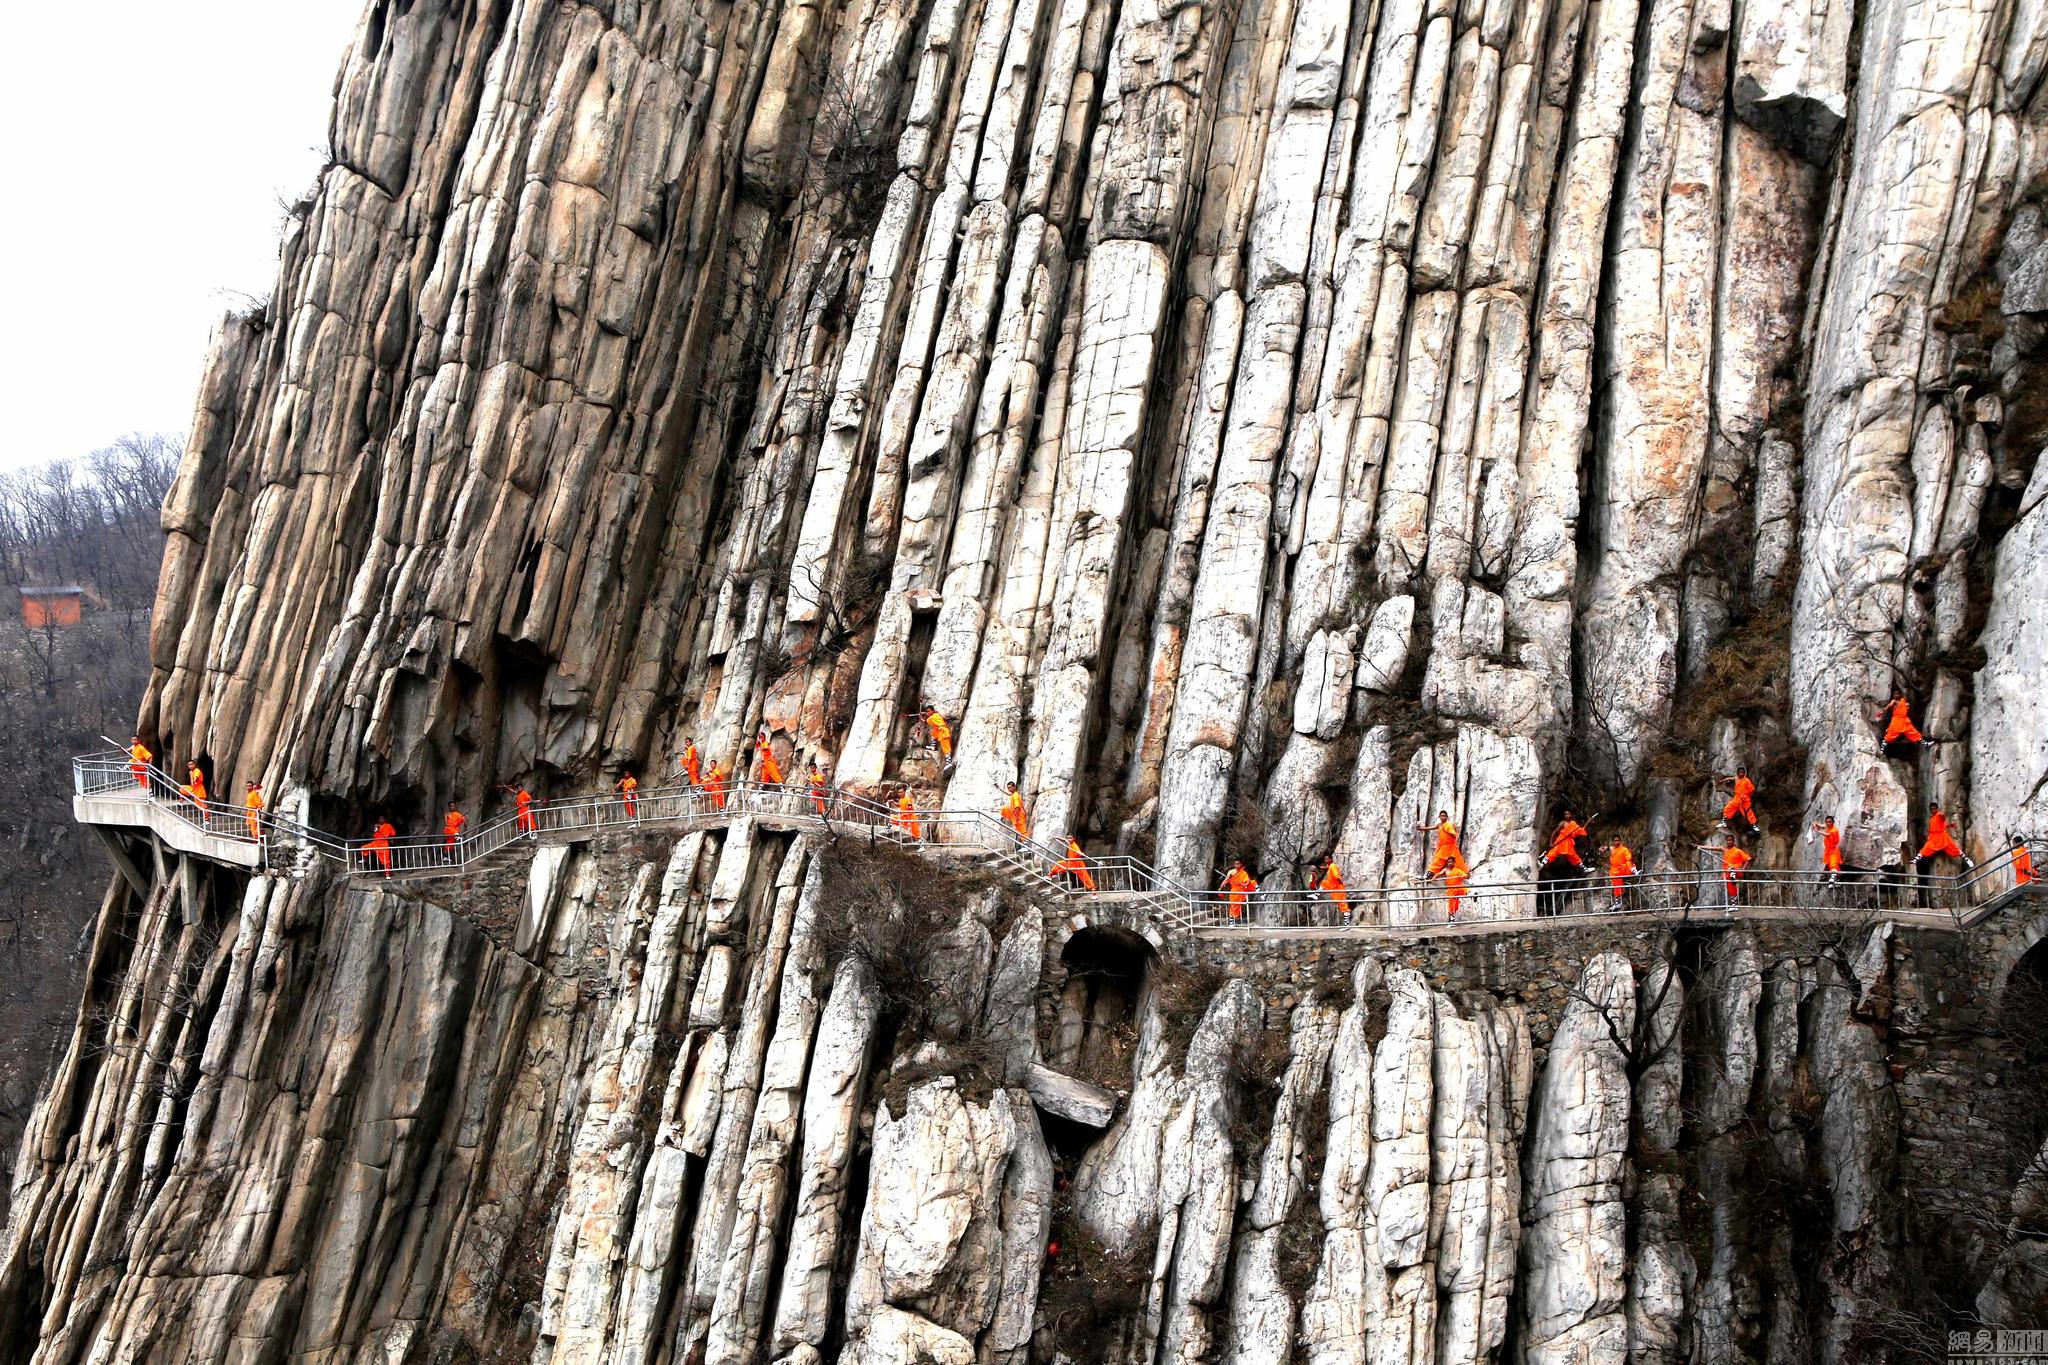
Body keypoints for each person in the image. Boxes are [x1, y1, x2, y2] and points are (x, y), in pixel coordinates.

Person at [1915, 804, 1973, 870]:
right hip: (1934, 837)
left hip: (1943, 836)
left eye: (1934, 809)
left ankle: (1967, 860)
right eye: (1932, 809)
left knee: (1954, 848)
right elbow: (1941, 825)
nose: (1933, 810)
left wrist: (1943, 815)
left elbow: (1942, 817)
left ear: (1937, 808)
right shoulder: (1931, 819)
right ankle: (1915, 860)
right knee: (1925, 849)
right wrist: (1949, 825)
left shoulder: (1939, 815)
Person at [1699, 838, 1752, 906]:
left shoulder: (1738, 851)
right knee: (1731, 888)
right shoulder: (1724, 849)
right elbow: (1710, 848)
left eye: (1730, 840)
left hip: (1736, 871)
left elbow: (1748, 859)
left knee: (1732, 871)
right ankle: (1734, 905)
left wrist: (1743, 869)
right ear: (1726, 841)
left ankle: (1732, 874)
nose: (1729, 842)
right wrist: (1700, 846)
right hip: (1727, 872)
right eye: (1728, 840)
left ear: (1733, 841)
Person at [1421, 811, 1462, 877]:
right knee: (1437, 860)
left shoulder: (1448, 825)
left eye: (1444, 816)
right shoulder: (1439, 825)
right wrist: (1421, 828)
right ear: (1439, 817)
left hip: (1448, 846)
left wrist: (1451, 832)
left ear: (1447, 817)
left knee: (1440, 860)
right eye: (1441, 816)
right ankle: (1430, 874)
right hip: (1442, 847)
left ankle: (1430, 874)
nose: (1442, 817)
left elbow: (1453, 834)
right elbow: (1430, 828)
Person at [1810, 816, 1843, 883]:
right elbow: (1820, 825)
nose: (1828, 823)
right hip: (1828, 850)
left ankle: (1834, 877)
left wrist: (1818, 831)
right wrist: (1815, 824)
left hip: (1833, 850)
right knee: (1831, 865)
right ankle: (1837, 879)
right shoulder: (1827, 827)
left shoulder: (1834, 830)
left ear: (1833, 822)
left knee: (1833, 864)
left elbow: (1827, 834)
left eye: (1830, 822)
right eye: (1827, 822)